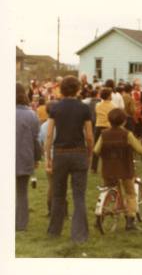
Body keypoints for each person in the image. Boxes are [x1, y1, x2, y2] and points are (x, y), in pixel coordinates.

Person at [45, 76, 94, 243]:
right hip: (79, 152)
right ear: (78, 89)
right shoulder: (84, 109)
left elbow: (50, 135)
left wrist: (48, 158)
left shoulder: (55, 108)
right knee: (79, 196)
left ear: (62, 89)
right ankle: (79, 235)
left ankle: (54, 231)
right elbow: (89, 136)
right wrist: (90, 154)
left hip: (60, 153)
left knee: (58, 194)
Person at [94, 108, 142, 230]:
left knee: (110, 190)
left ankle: (100, 216)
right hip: (125, 169)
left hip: (108, 169)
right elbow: (140, 150)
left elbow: (96, 150)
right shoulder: (127, 134)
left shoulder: (104, 134)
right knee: (130, 194)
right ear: (124, 121)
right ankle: (130, 221)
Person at [16, 83, 41, 231]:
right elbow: (35, 139)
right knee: (22, 192)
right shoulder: (31, 115)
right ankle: (20, 224)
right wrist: (37, 158)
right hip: (24, 157)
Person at [91, 88, 116, 173]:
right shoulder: (113, 106)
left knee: (96, 147)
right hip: (108, 127)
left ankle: (93, 167)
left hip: (98, 126)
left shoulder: (98, 105)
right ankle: (110, 166)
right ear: (109, 96)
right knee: (109, 148)